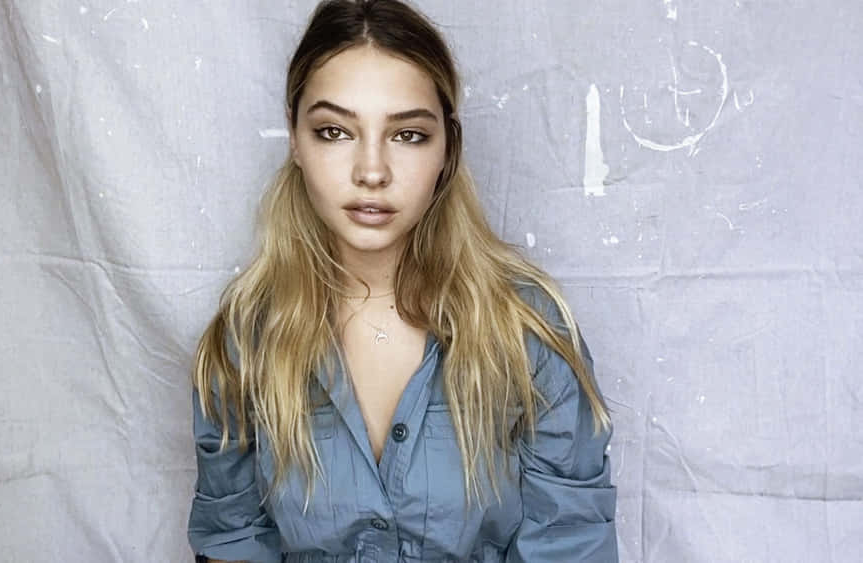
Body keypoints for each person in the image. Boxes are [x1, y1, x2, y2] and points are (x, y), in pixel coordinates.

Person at [187, 1, 618, 561]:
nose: (372, 171)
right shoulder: (243, 343)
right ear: (295, 140)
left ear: (447, 150)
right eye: (334, 131)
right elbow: (233, 541)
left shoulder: (527, 333)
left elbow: (570, 544)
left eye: (408, 135)